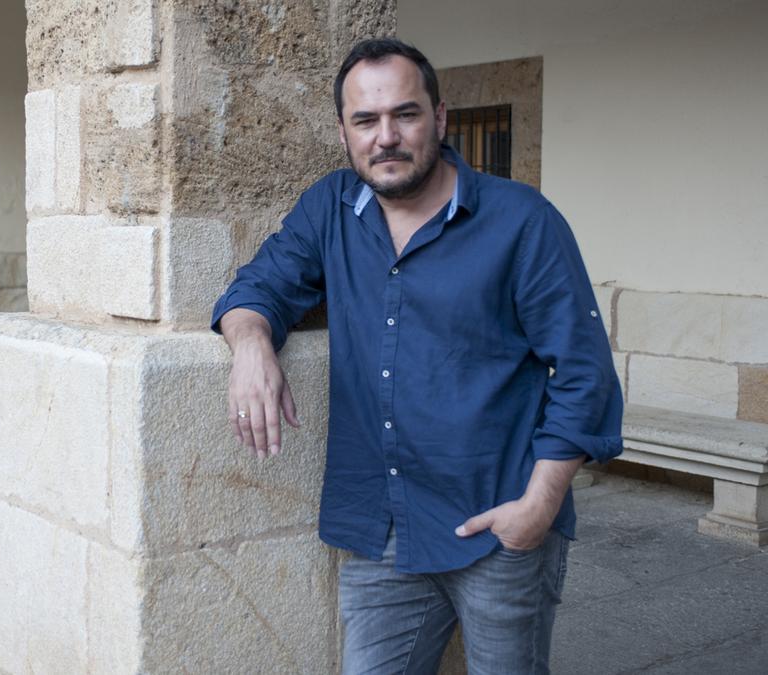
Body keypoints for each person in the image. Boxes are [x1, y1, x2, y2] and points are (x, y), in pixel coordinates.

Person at [210, 38, 623, 674]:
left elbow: (584, 371)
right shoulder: (331, 208)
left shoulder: (523, 222)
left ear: (441, 117)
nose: (387, 137)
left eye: (405, 114)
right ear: (344, 132)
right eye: (366, 121)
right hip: (380, 530)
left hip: (496, 525)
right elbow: (258, 286)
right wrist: (250, 343)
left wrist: (537, 507)